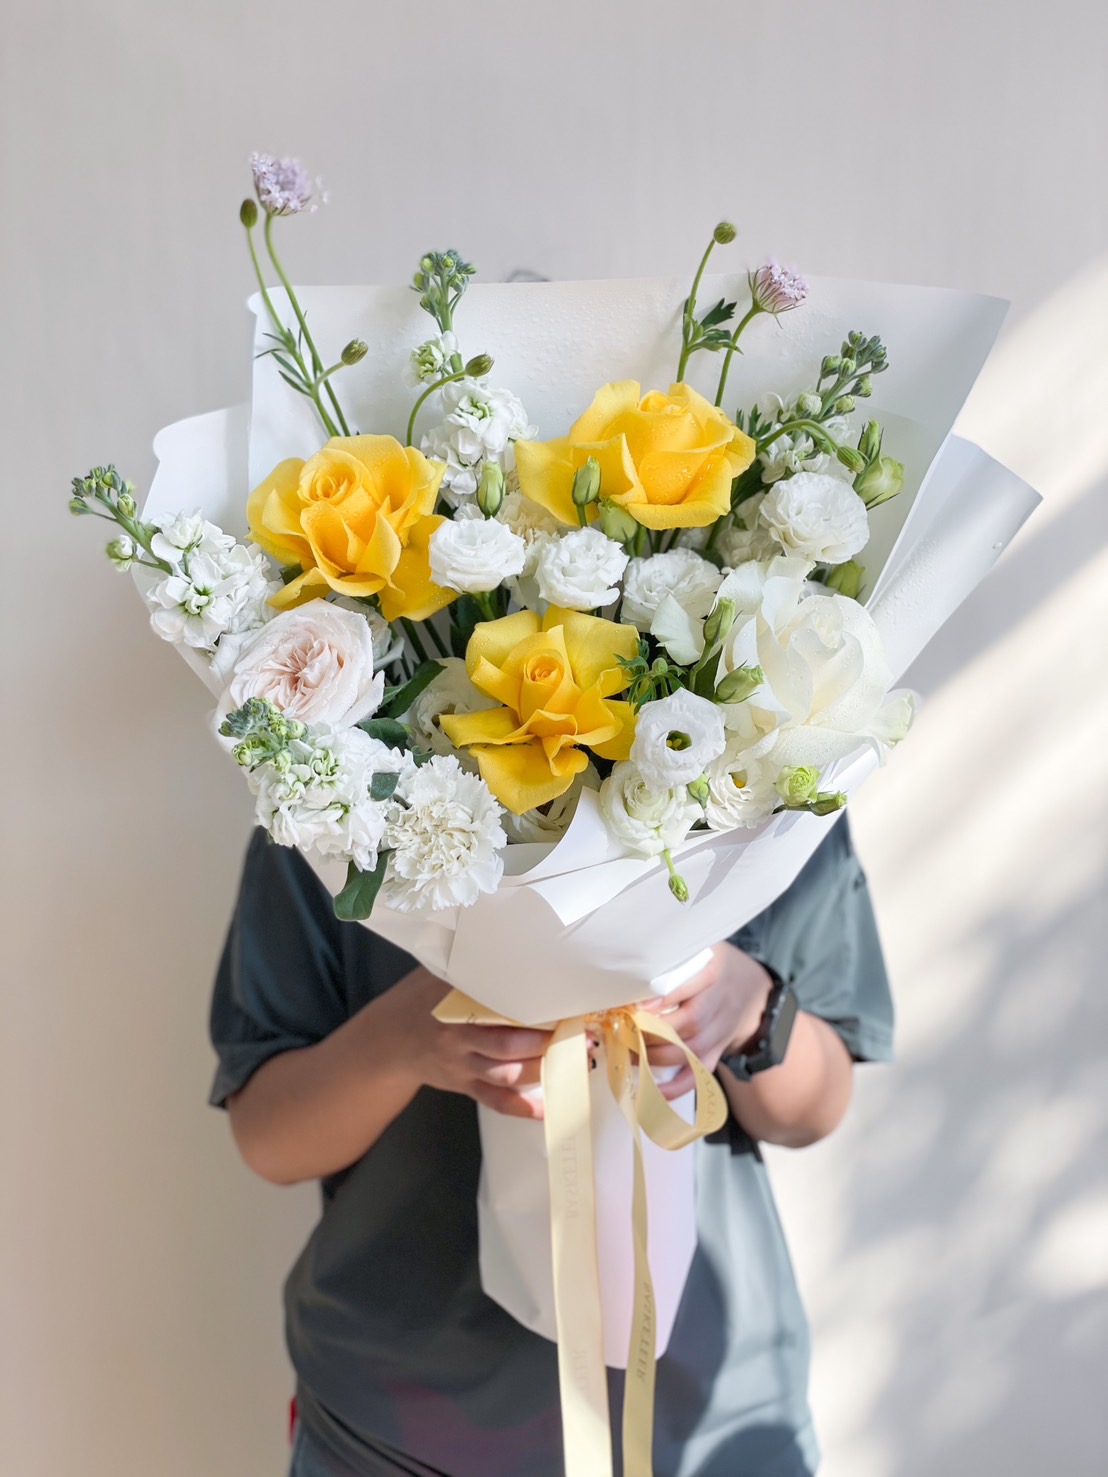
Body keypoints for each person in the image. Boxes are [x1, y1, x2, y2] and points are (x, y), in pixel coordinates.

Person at [210, 814, 893, 1477]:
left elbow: (816, 1108)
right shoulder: (334, 796)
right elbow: (269, 1137)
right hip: (401, 1431)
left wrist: (753, 1009)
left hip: (716, 1424)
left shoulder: (767, 772)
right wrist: (400, 1040)